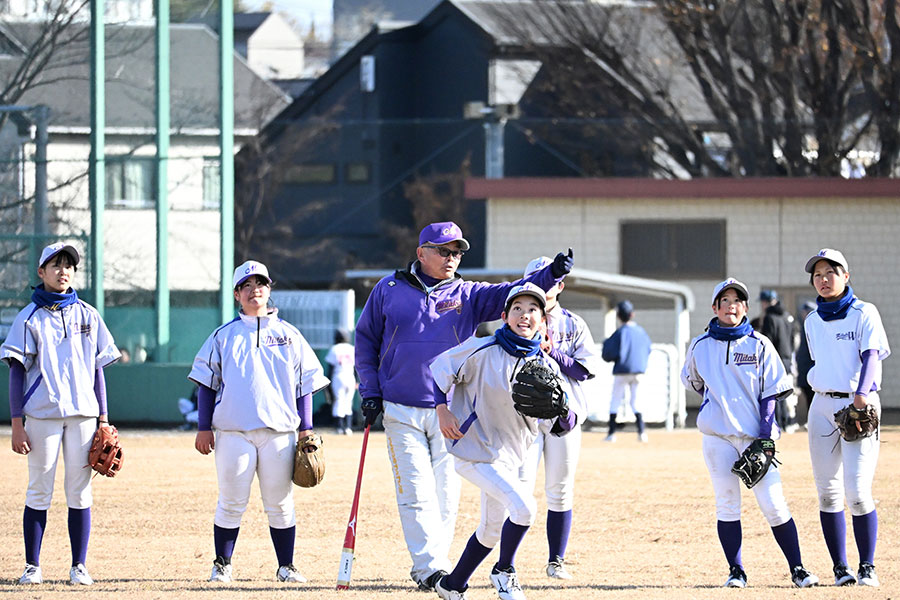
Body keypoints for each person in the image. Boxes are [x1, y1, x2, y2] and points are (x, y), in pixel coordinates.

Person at [354, 221, 573, 591]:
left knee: (445, 494)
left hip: (452, 411)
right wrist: (370, 389)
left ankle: (438, 565)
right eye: (444, 250)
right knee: (415, 490)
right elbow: (366, 339)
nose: (452, 258)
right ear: (421, 252)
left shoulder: (468, 293)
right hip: (399, 406)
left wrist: (550, 273)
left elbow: (514, 292)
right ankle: (428, 568)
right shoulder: (388, 289)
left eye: (457, 252)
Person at [430, 283, 577, 600]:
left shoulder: (547, 366)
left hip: (514, 456)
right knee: (525, 509)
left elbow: (563, 424)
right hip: (475, 451)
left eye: (533, 309)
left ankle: (452, 584)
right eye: (518, 308)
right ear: (504, 316)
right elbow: (438, 372)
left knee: (491, 529)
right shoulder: (481, 349)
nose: (525, 315)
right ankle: (504, 572)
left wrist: (563, 411)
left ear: (543, 319)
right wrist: (442, 409)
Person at [188, 260, 329, 584]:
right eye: (247, 286)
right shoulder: (224, 335)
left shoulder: (288, 334)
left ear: (269, 290)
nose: (255, 291)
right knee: (231, 501)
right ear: (237, 294)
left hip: (279, 433)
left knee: (279, 503)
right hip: (233, 432)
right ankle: (222, 564)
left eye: (261, 284)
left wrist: (306, 426)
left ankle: (286, 566)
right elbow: (206, 385)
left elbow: (304, 384)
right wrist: (203, 427)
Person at [681, 278, 819, 589]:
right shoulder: (700, 345)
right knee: (727, 503)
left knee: (773, 503)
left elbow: (770, 393)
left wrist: (765, 436)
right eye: (725, 301)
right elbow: (695, 383)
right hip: (717, 437)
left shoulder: (759, 344)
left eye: (738, 301)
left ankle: (797, 568)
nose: (732, 306)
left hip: (755, 438)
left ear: (746, 308)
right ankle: (736, 570)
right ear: (714, 307)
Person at [1, 242, 121, 586]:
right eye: (55, 265)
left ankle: (79, 565)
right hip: (42, 416)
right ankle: (32, 566)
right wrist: (16, 423)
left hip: (84, 415)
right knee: (39, 489)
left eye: (68, 265)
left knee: (80, 491)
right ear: (41, 272)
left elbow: (98, 369)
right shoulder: (28, 318)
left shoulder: (88, 314)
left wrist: (103, 418)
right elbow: (16, 371)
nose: (63, 271)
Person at [802, 248, 890, 587]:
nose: (824, 279)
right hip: (823, 405)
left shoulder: (864, 312)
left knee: (856, 492)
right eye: (817, 274)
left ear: (846, 276)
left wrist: (861, 398)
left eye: (831, 272)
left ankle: (867, 565)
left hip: (858, 406)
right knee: (827, 492)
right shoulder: (812, 320)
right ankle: (841, 567)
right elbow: (821, 363)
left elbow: (870, 356)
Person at [518, 256, 600, 581]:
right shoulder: (516, 322)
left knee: (560, 489)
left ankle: (556, 561)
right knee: (518, 489)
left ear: (560, 285)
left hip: (565, 419)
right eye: (534, 281)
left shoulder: (573, 323)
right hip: (523, 421)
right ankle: (507, 560)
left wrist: (555, 353)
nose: (542, 288)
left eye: (548, 281)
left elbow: (586, 369)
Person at [601, 300, 652, 442]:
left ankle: (611, 433)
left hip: (622, 371)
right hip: (638, 371)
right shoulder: (641, 332)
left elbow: (607, 354)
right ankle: (641, 432)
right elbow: (648, 349)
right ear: (632, 314)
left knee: (615, 400)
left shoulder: (619, 333)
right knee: (636, 401)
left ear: (618, 316)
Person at [753, 290, 800, 433]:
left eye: (763, 302)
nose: (762, 305)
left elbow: (767, 341)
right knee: (786, 391)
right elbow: (795, 339)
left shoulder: (769, 317)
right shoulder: (788, 316)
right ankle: (788, 422)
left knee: (774, 391)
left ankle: (778, 421)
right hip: (787, 359)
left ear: (767, 302)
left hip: (774, 359)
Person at [325, 328, 356, 435]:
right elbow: (357, 367)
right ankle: (348, 428)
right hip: (350, 376)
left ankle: (339, 427)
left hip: (338, 376)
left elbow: (330, 367)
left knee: (338, 401)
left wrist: (328, 383)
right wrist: (357, 380)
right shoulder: (352, 348)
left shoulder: (334, 349)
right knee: (348, 402)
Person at [795, 300, 817, 417]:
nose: (803, 314)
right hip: (804, 368)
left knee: (813, 397)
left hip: (812, 368)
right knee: (807, 395)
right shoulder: (804, 326)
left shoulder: (816, 327)